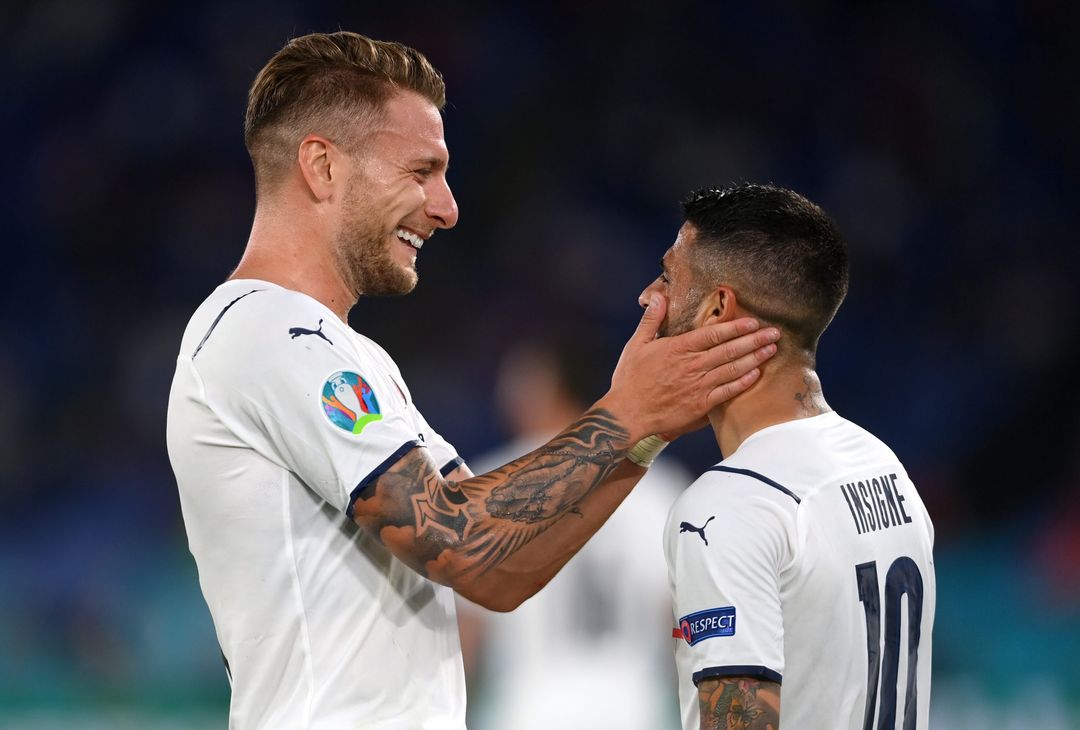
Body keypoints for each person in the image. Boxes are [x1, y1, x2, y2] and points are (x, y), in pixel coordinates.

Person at [165, 32, 781, 729]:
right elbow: (459, 543)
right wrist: (630, 413)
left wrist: (644, 430)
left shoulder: (349, 356)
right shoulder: (267, 330)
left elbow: (502, 563)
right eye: (421, 170)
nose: (447, 207)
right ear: (323, 166)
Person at [642, 184, 935, 730]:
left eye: (666, 277)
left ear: (717, 309)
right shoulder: (885, 468)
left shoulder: (727, 507)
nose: (647, 297)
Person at [458, 332, 689, 730]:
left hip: (527, 709)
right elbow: (678, 622)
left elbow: (468, 628)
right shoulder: (660, 487)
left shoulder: (490, 484)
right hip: (636, 709)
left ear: (545, 387)